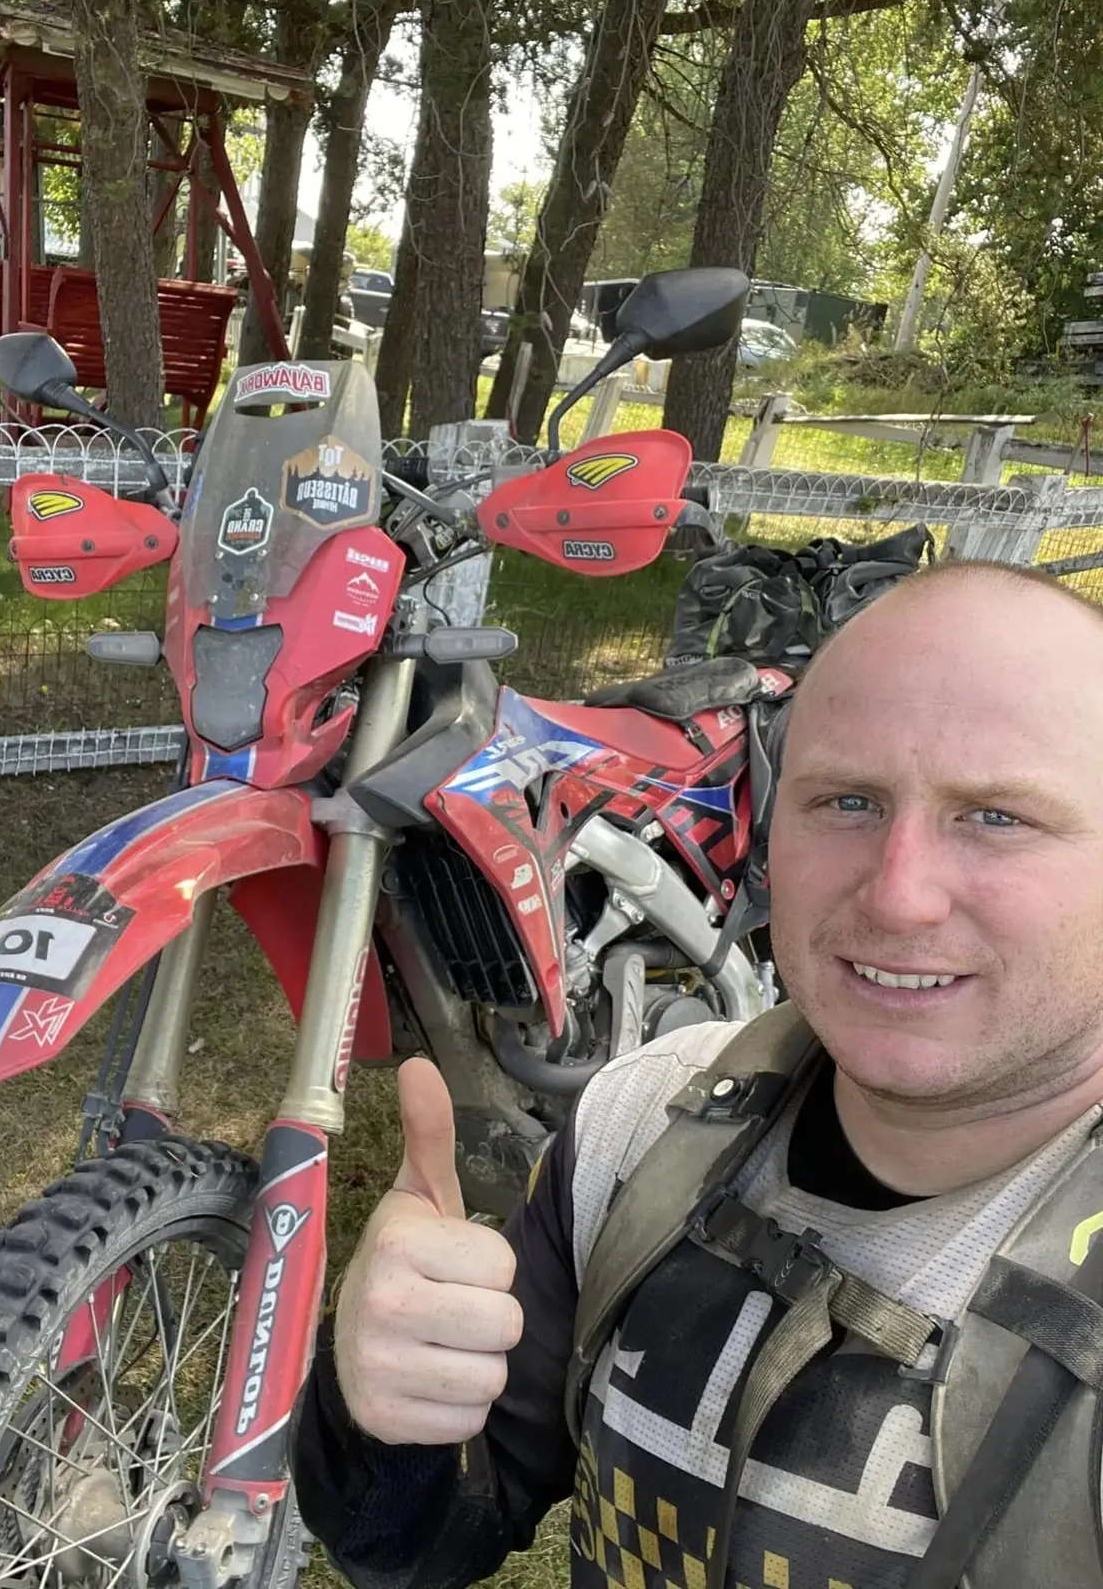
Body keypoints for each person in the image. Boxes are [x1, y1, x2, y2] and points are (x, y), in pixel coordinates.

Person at [291, 560, 1103, 1588]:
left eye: (997, 817)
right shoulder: (652, 1120)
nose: (900, 896)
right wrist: (384, 1405)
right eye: (847, 800)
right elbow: (415, 1545)